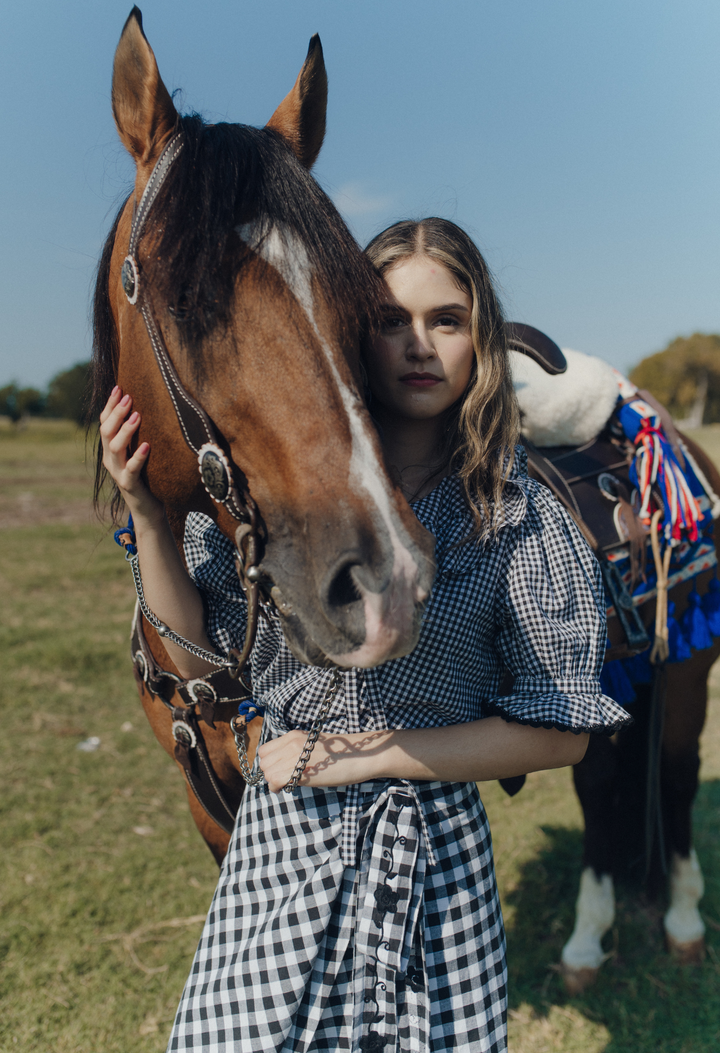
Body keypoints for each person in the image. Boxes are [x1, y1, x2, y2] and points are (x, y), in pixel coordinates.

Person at [100, 217, 630, 1053]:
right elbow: (192, 644)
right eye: (390, 320)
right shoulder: (277, 493)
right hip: (282, 849)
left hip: (434, 858)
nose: (419, 345)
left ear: (481, 338)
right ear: (350, 330)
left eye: (446, 320)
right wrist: (146, 511)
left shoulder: (518, 517)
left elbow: (561, 733)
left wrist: (357, 754)